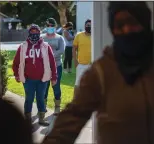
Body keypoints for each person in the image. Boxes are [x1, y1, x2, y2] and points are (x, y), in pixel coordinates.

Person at [42, 2, 154, 144]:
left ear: (145, 21)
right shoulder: (102, 72)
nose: (127, 29)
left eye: (133, 22)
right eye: (120, 25)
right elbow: (71, 119)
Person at [12, 24, 57, 126]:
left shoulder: (46, 46)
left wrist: (54, 76)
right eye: (32, 33)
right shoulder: (23, 47)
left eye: (36, 33)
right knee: (29, 98)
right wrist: (17, 74)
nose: (34, 35)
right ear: (29, 34)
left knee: (41, 98)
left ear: (39, 34)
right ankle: (27, 119)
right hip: (28, 79)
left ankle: (42, 118)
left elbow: (52, 63)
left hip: (43, 79)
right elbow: (15, 63)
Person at [41, 18, 65, 115]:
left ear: (55, 26)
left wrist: (50, 55)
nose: (50, 27)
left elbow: (61, 50)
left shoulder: (59, 38)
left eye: (52, 26)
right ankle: (43, 107)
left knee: (56, 86)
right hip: (44, 66)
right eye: (48, 26)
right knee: (44, 86)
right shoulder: (41, 37)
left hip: (57, 65)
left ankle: (57, 107)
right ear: (46, 26)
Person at [73, 19, 91, 95]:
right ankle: (75, 102)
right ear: (84, 26)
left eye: (90, 26)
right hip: (81, 65)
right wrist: (75, 61)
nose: (89, 27)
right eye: (87, 25)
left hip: (92, 65)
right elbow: (74, 48)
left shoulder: (95, 36)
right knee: (78, 84)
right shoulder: (79, 36)